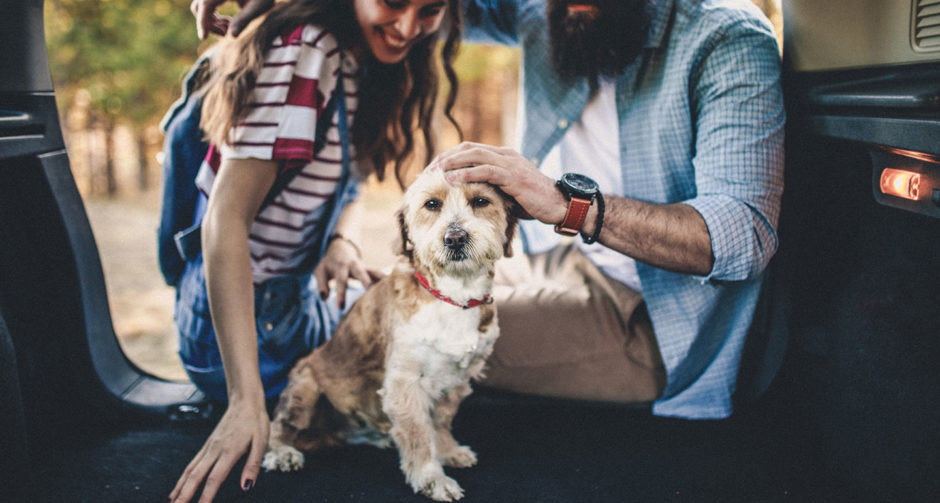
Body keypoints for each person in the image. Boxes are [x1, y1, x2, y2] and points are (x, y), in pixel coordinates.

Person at [186, 0, 785, 428]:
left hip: (653, 313)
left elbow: (743, 236)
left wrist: (567, 205)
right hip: (554, 261)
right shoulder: (542, 11)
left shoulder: (727, 40)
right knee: (370, 305)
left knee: (389, 339)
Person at [166, 1, 462, 502]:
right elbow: (225, 218)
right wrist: (244, 400)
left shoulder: (358, 60)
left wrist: (340, 241)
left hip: (293, 306)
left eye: (430, 9)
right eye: (393, 2)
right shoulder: (308, 50)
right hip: (248, 331)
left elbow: (349, 186)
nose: (408, 27)